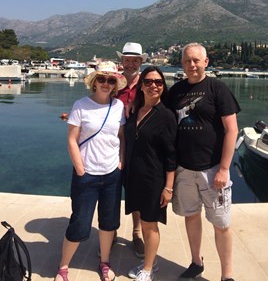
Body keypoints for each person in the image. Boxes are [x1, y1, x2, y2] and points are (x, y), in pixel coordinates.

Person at [169, 43, 240, 281]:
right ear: (182, 64)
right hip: (185, 169)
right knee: (191, 216)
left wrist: (224, 168)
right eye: (188, 61)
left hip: (212, 170)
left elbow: (232, 130)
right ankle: (196, 262)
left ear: (206, 62)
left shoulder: (217, 89)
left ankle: (227, 275)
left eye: (196, 60)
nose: (192, 65)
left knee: (221, 224)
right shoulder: (176, 91)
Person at [54, 62, 127, 281]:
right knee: (79, 222)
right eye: (102, 79)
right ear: (94, 82)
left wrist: (121, 162)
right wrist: (80, 168)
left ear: (115, 84)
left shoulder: (119, 107)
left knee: (108, 222)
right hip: (87, 175)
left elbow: (121, 137)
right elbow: (72, 140)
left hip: (112, 174)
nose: (106, 83)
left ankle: (104, 263)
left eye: (111, 80)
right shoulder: (81, 105)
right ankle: (63, 267)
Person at [124, 66, 177, 281]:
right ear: (142, 85)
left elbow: (172, 154)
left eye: (158, 82)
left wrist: (168, 187)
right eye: (148, 81)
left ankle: (148, 270)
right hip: (134, 176)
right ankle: (150, 261)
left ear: (163, 87)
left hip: (153, 179)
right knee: (144, 221)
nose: (153, 85)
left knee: (149, 224)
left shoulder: (166, 116)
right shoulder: (135, 110)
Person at [115, 42, 148, 258]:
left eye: (135, 60)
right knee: (111, 192)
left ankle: (137, 233)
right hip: (113, 148)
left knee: (136, 193)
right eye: (127, 60)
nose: (130, 64)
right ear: (122, 62)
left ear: (140, 62)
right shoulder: (112, 84)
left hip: (138, 149)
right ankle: (110, 232)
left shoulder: (148, 85)